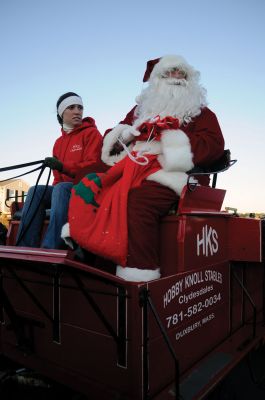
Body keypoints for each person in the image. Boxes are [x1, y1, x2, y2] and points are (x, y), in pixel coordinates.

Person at [64, 55, 225, 281]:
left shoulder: (202, 114)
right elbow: (114, 138)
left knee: (136, 201)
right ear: (157, 80)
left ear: (190, 80)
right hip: (134, 167)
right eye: (169, 73)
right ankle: (92, 256)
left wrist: (167, 138)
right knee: (89, 181)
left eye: (181, 73)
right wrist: (125, 133)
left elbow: (214, 146)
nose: (175, 78)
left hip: (174, 174)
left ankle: (139, 277)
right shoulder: (141, 111)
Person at [16, 92, 103, 249]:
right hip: (63, 192)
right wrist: (58, 171)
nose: (78, 111)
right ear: (61, 113)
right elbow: (57, 179)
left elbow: (92, 169)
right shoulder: (58, 143)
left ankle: (52, 248)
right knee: (36, 190)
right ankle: (24, 247)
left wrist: (63, 167)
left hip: (86, 189)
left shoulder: (92, 134)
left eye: (80, 107)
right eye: (71, 107)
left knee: (61, 189)